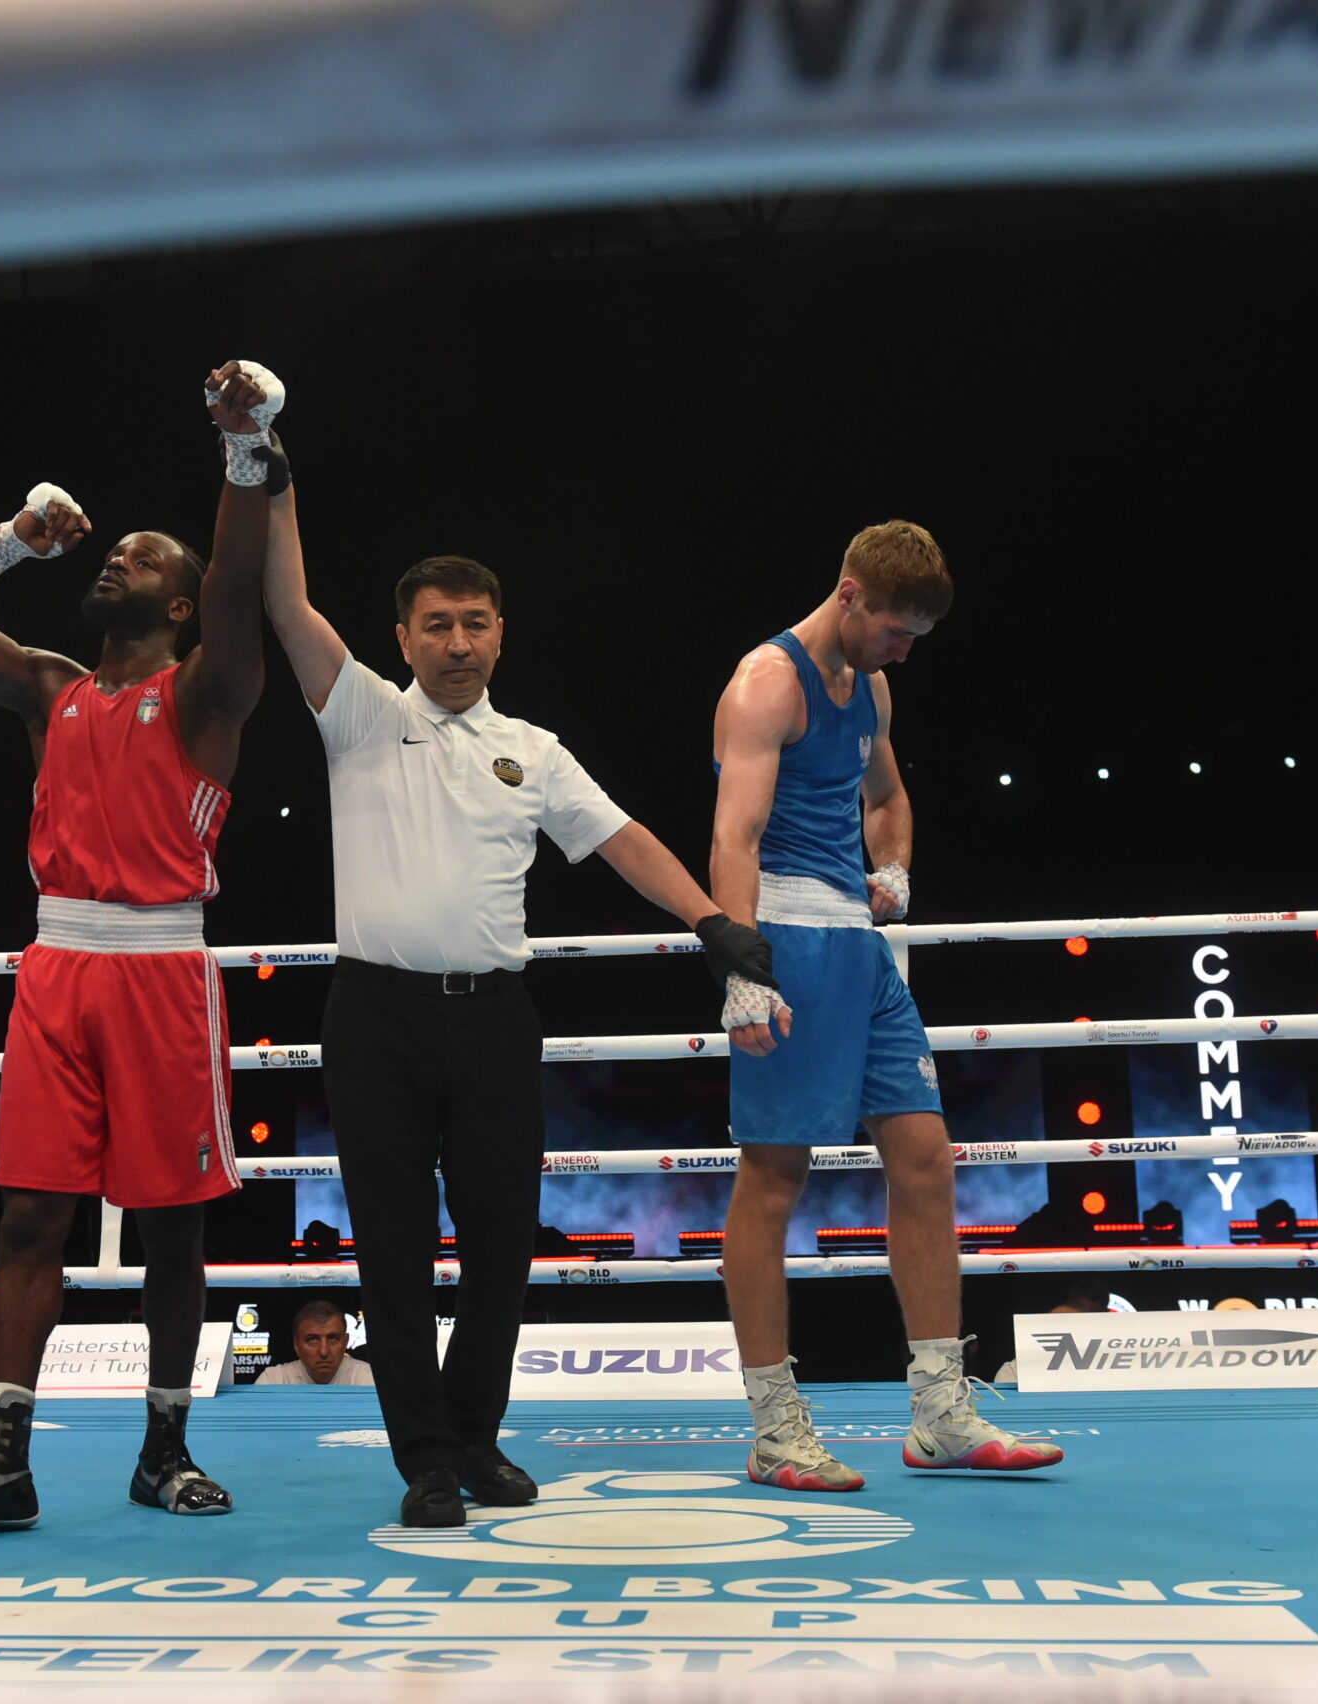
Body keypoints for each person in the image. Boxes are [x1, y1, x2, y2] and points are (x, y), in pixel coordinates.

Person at [260, 473, 775, 1528]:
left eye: (475, 623)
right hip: (375, 1017)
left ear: (501, 634)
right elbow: (285, 603)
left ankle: (474, 1437)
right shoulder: (361, 715)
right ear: (402, 639)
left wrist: (711, 921)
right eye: (437, 625)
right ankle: (424, 1463)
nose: (457, 642)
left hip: (494, 1018)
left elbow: (622, 839)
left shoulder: (533, 751)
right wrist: (268, 477)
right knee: (393, 1245)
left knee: (502, 1241)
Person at [0, 360, 283, 1529]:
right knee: (27, 1217)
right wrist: (13, 540)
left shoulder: (209, 693)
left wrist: (243, 448)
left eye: (144, 561)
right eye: (114, 552)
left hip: (161, 971)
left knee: (172, 1228)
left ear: (180, 609)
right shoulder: (50, 691)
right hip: (55, 969)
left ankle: (165, 1449)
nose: (117, 560)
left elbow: (241, 583)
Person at [710, 520, 1064, 1489]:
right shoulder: (766, 683)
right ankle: (774, 1427)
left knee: (925, 1162)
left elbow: (888, 798)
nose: (904, 651)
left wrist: (895, 868)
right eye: (897, 631)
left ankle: (941, 1414)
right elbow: (734, 837)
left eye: (916, 638)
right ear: (851, 593)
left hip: (860, 954)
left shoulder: (870, 686)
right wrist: (745, 970)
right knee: (773, 1179)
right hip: (786, 939)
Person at [253, 1301, 376, 1385]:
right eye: (313, 1340)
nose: (324, 1352)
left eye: (332, 1338)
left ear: (345, 1342)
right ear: (296, 1345)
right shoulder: (274, 1380)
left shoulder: (368, 1378)